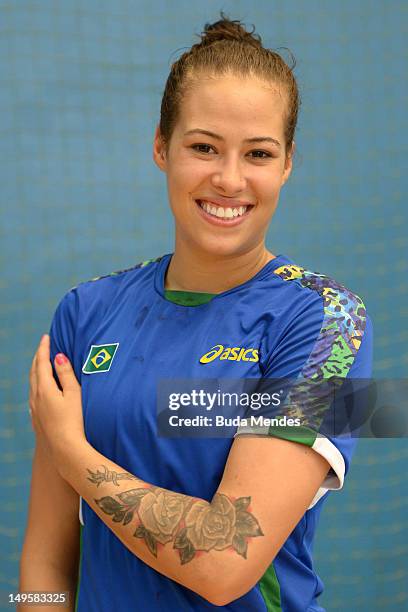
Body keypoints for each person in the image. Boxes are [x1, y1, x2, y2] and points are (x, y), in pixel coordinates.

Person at [19, 11, 373, 612]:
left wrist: (71, 451)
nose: (229, 179)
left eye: (258, 153)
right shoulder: (82, 313)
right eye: (204, 146)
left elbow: (224, 562)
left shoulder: (333, 324)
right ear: (161, 147)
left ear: (288, 163)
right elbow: (46, 561)